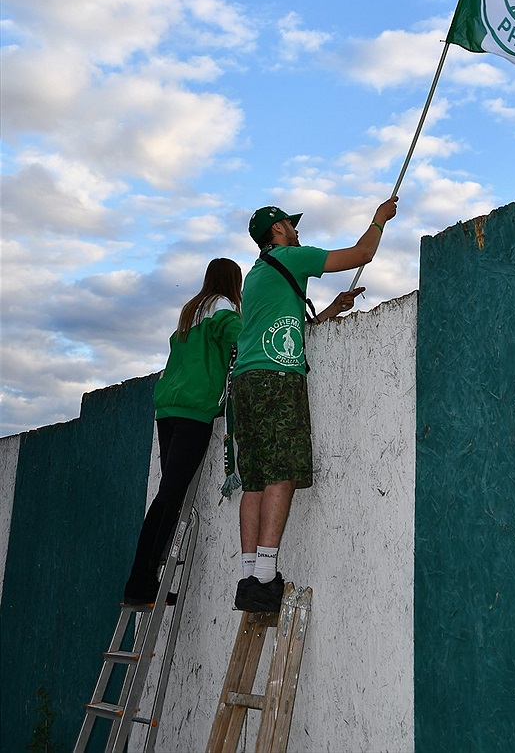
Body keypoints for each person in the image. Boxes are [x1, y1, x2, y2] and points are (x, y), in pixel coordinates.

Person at [232, 196, 398, 613]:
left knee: (254, 479)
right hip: (276, 378)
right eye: (290, 223)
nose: (295, 228)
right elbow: (362, 254)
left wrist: (330, 310)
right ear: (277, 230)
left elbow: (289, 331)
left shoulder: (256, 276)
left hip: (246, 382)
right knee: (283, 471)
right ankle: (267, 577)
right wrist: (379, 219)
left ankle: (251, 574)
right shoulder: (290, 257)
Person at [123, 258, 242, 606]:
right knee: (170, 497)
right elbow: (243, 337)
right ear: (233, 282)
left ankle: (141, 578)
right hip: (194, 409)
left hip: (168, 408)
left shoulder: (191, 310)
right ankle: (141, 580)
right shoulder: (222, 308)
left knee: (167, 494)